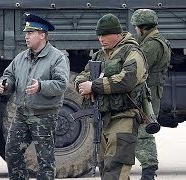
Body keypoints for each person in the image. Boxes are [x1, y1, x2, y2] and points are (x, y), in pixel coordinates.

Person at [74, 14, 148, 180]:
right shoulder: (99, 55)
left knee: (115, 170)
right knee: (107, 170)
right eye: (99, 35)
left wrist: (94, 85)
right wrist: (82, 85)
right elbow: (83, 74)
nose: (101, 39)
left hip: (124, 117)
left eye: (105, 35)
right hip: (104, 118)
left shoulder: (132, 52)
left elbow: (127, 80)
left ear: (118, 34)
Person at [0, 12, 69, 180]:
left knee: (45, 159)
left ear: (42, 35)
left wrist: (41, 86)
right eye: (26, 33)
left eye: (30, 33)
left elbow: (61, 84)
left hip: (45, 114)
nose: (26, 37)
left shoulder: (57, 58)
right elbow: (10, 76)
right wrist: (5, 84)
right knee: (12, 151)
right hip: (22, 113)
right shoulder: (21, 57)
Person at [131, 9, 171, 180]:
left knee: (143, 130)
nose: (135, 31)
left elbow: (138, 66)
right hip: (148, 91)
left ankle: (148, 171)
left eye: (136, 28)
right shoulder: (154, 40)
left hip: (147, 94)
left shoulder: (152, 44)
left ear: (142, 27)